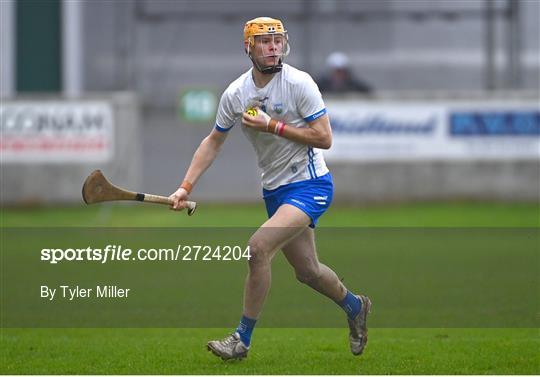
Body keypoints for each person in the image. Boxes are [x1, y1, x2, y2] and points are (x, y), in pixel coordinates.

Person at [169, 17, 371, 361]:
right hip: (275, 191)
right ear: (249, 47)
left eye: (277, 40)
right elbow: (213, 142)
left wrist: (273, 126)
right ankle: (355, 306)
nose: (273, 46)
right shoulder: (236, 93)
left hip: (310, 184)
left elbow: (325, 138)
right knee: (308, 272)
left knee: (257, 248)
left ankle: (241, 341)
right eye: (264, 41)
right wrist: (185, 186)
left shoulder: (299, 83)